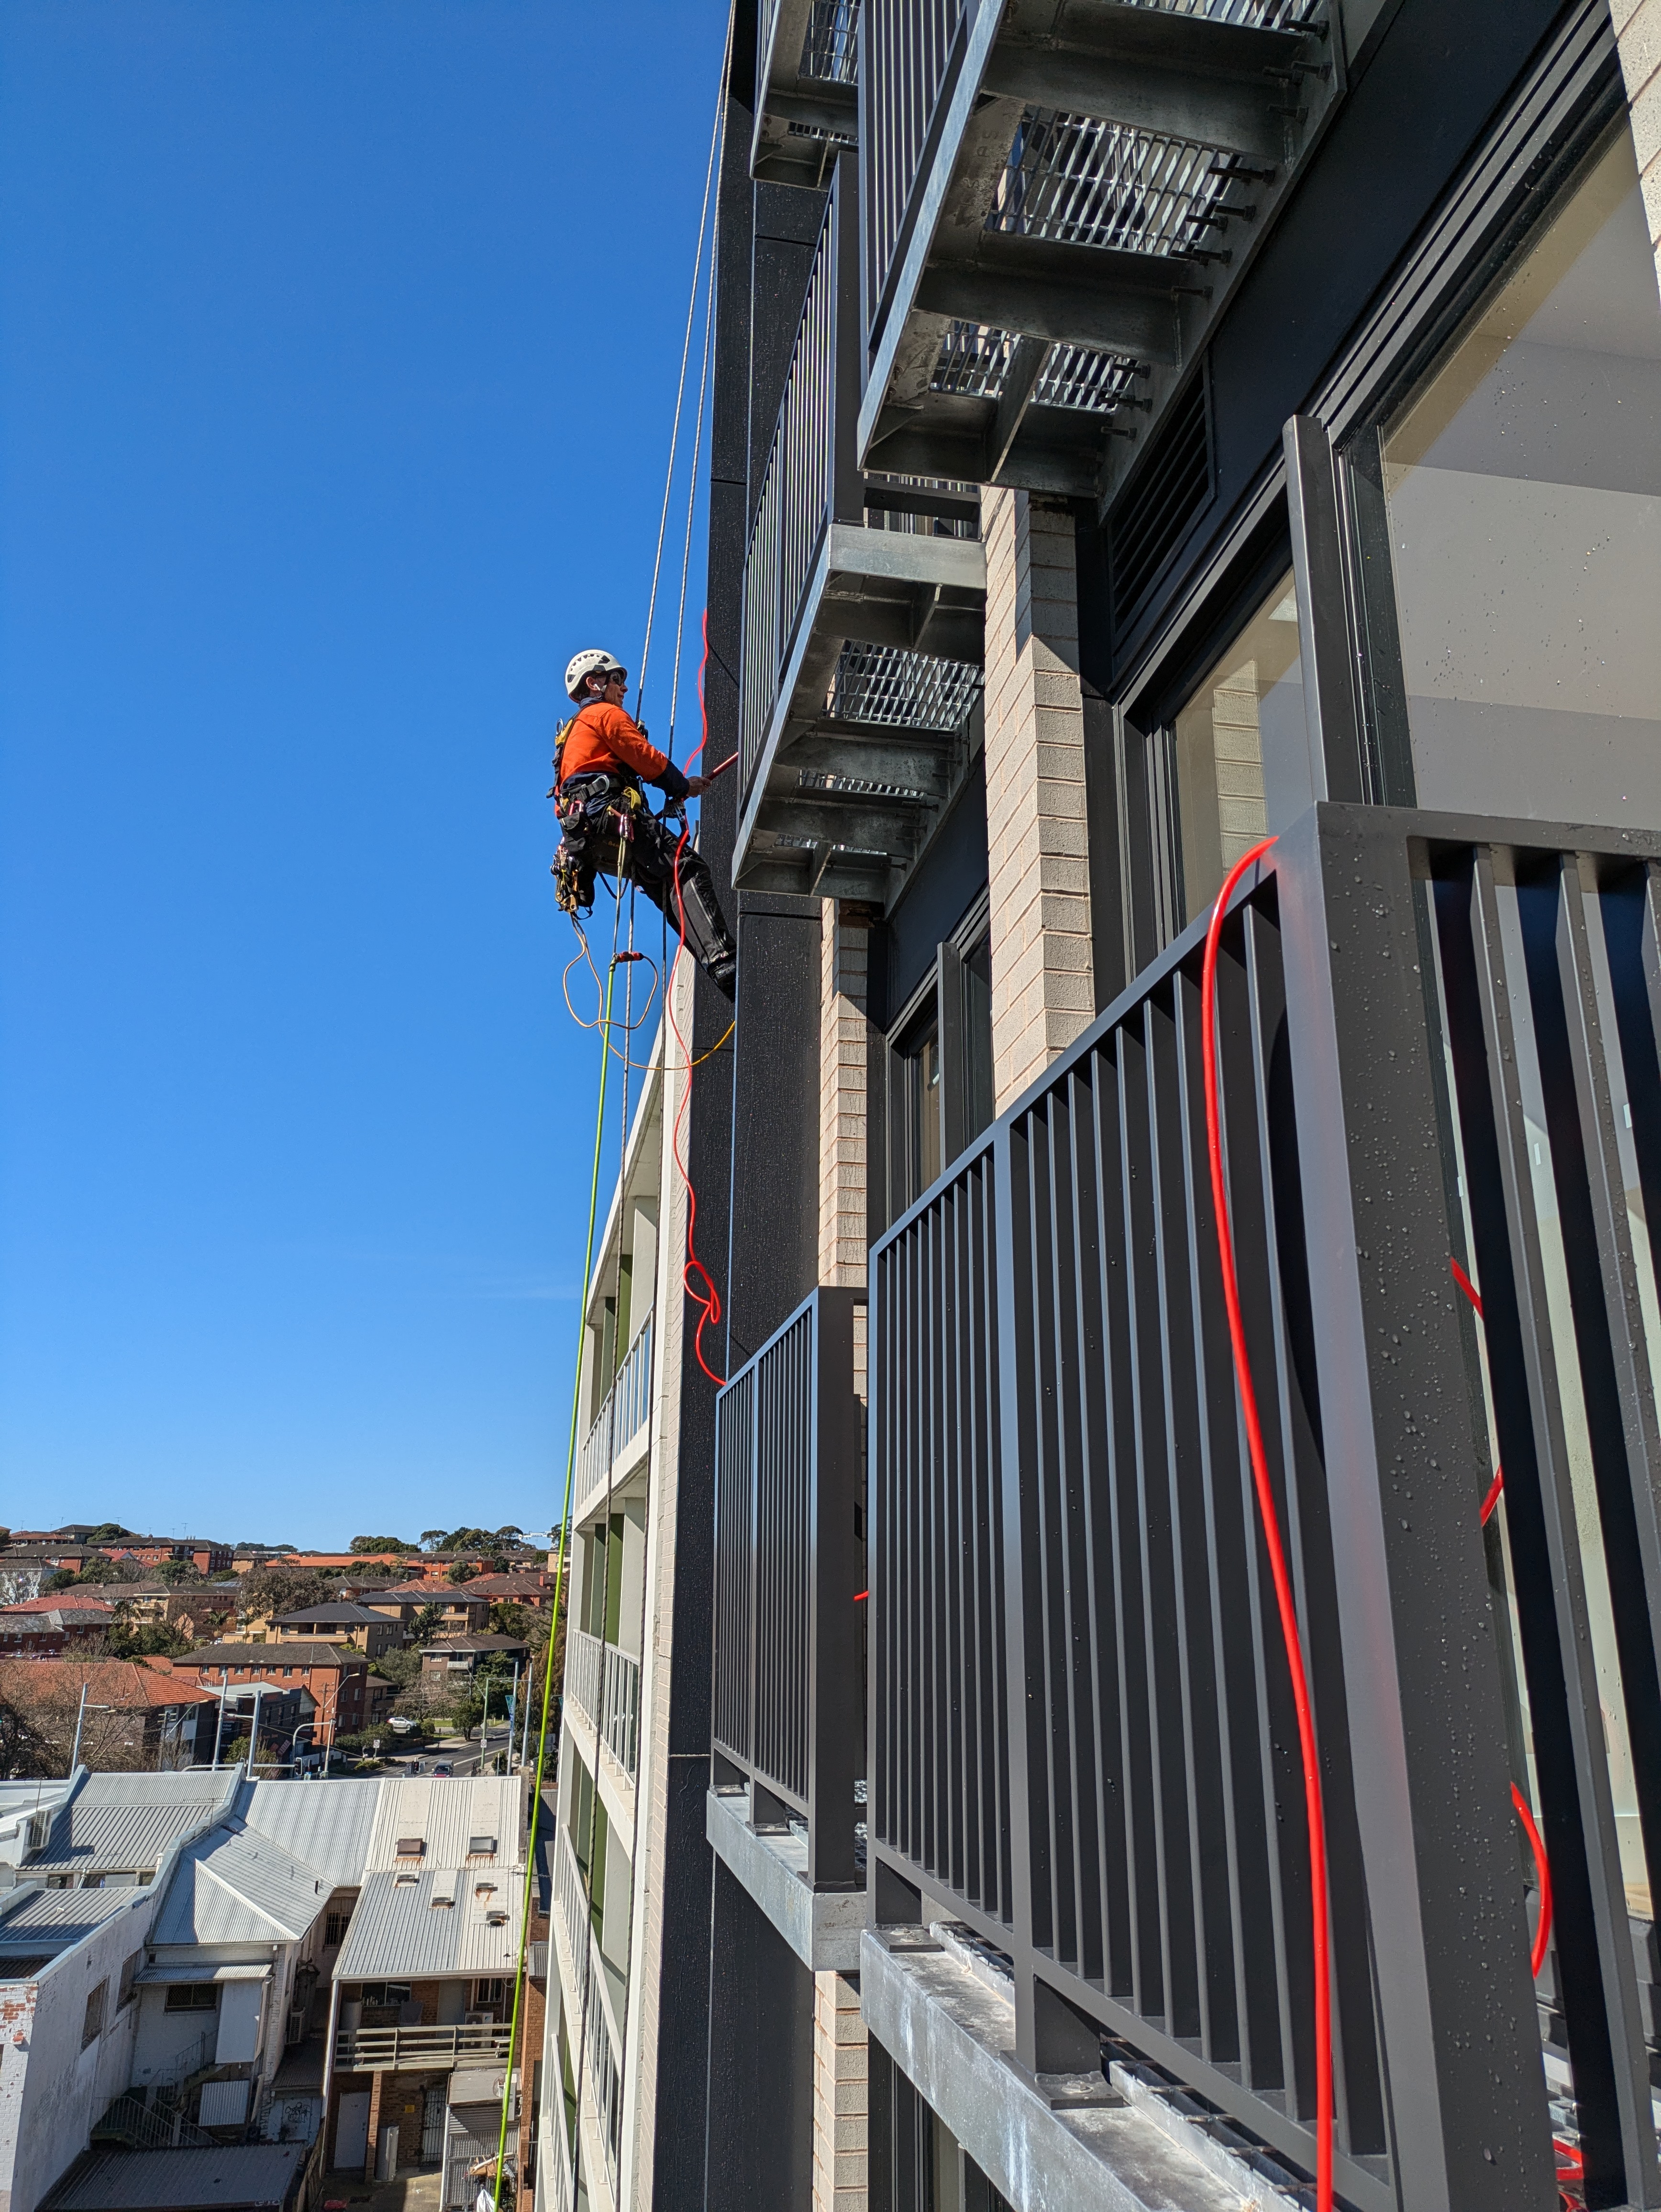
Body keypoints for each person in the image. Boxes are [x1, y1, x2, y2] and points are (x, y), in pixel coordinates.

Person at [550, 648, 737, 998]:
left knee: (662, 882)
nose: (623, 688)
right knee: (687, 868)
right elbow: (644, 757)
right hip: (611, 819)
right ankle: (724, 962)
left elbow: (569, 795)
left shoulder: (572, 739)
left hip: (588, 837)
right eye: (617, 679)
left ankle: (717, 968)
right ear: (595, 683)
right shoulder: (603, 715)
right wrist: (681, 784)